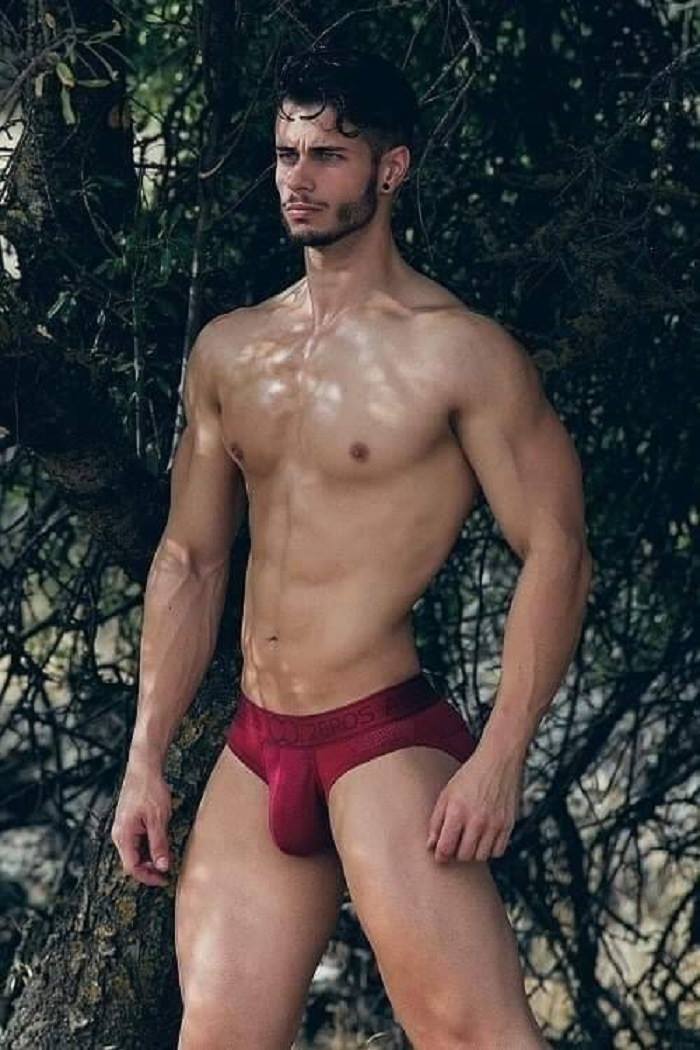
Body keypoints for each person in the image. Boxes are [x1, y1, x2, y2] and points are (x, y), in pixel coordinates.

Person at [111, 45, 592, 1050]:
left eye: (329, 155)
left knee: (476, 1038)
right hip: (256, 749)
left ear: (391, 168)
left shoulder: (457, 352)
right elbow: (191, 561)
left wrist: (501, 757)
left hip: (382, 742)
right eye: (288, 153)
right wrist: (145, 758)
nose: (299, 178)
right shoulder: (232, 349)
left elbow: (557, 550)